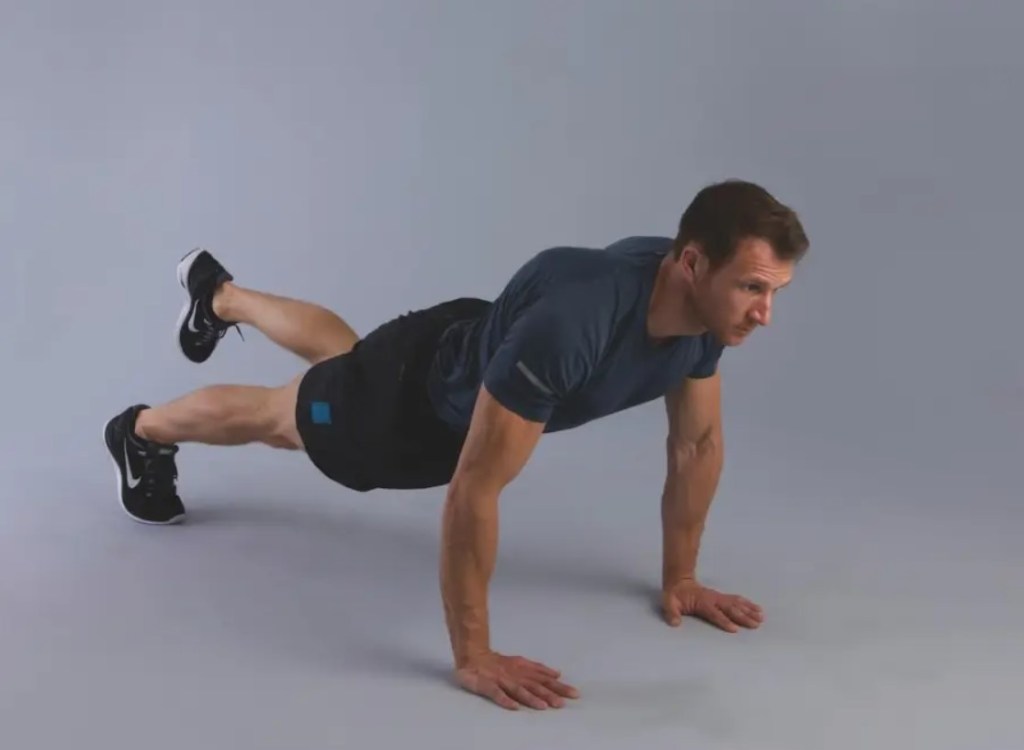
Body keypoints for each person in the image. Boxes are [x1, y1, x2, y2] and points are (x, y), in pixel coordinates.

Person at [104, 178, 809, 711]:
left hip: (458, 348)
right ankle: (139, 431)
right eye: (752, 287)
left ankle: (220, 296)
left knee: (345, 356)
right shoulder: (577, 324)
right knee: (279, 416)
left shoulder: (698, 317)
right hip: (406, 410)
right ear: (691, 262)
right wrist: (474, 656)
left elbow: (698, 441)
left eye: (774, 291)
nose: (765, 314)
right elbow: (475, 487)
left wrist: (681, 578)